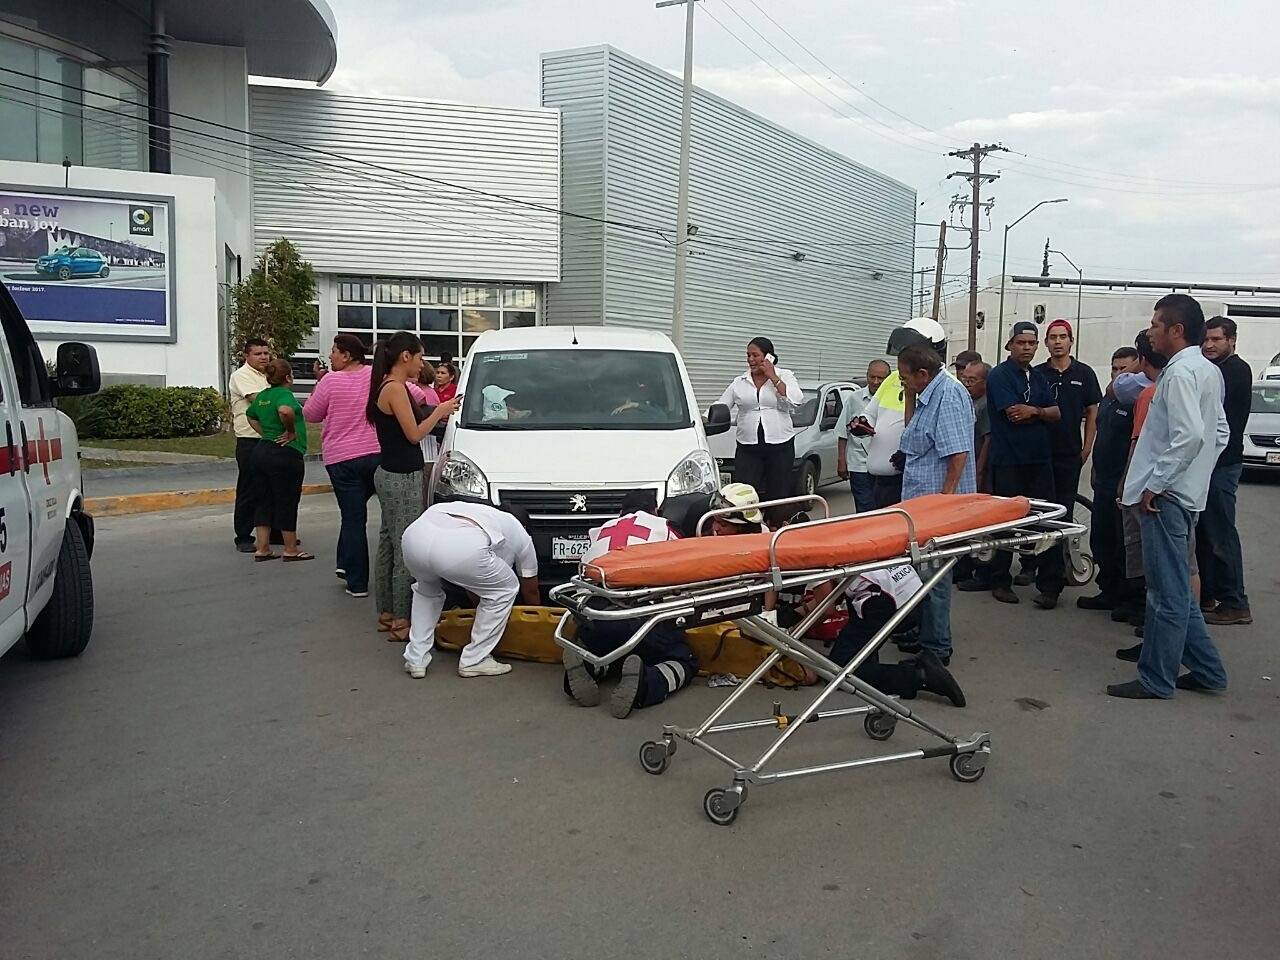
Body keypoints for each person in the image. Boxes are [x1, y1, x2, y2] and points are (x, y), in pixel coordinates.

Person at [1108, 295, 1229, 700]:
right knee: (1176, 589)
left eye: (1156, 324)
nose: (1150, 331)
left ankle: (1156, 679)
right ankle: (1208, 671)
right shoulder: (1207, 370)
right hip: (1181, 493)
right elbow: (1219, 433)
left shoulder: (1179, 374)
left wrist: (1157, 483)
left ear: (1176, 330)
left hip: (1165, 498)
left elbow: (1190, 435)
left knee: (1165, 594)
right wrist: (1195, 474)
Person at [564, 491, 698, 718]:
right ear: (656, 511)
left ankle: (588, 666)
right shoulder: (665, 527)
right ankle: (647, 684)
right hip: (644, 621)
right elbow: (685, 574)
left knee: (605, 650)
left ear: (620, 512)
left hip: (598, 618)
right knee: (684, 660)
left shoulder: (601, 531)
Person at [367, 332, 461, 642]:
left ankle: (386, 613)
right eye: (420, 357)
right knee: (406, 546)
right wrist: (440, 411)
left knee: (388, 543)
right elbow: (414, 434)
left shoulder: (387, 385)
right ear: (405, 356)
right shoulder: (395, 388)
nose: (422, 365)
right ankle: (402, 619)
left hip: (389, 472)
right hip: (401, 476)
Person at [971, 320, 1064, 609]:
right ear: (1009, 345)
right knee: (1006, 523)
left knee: (1047, 521)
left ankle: (1050, 585)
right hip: (1009, 461)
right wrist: (1041, 412)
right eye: (1021, 343)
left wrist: (1035, 410)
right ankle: (1000, 580)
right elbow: (1014, 414)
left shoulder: (1037, 376)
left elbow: (1056, 413)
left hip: (1039, 460)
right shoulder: (999, 376)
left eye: (1031, 343)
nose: (1027, 348)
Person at [400, 501, 540, 679]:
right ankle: (475, 660)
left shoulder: (484, 514)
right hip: (460, 545)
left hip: (416, 536)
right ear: (525, 526)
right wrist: (537, 621)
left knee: (426, 591)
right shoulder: (520, 533)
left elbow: (475, 587)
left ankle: (416, 659)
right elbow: (530, 589)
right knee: (505, 589)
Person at [898, 343, 975, 665]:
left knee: (934, 577)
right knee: (922, 573)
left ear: (923, 373)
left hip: (937, 506)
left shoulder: (949, 395)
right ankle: (925, 633)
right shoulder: (927, 393)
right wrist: (910, 394)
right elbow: (911, 433)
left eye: (904, 378)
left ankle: (937, 649)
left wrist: (944, 502)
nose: (902, 382)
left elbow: (958, 453)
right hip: (920, 501)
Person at [799, 563, 965, 707]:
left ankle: (918, 675)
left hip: (883, 600)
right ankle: (868, 662)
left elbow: (826, 609)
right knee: (855, 638)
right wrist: (799, 612)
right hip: (908, 586)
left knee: (838, 672)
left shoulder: (811, 555)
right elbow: (836, 593)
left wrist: (794, 632)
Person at [1019, 320, 1102, 588]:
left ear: (1071, 341)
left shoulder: (1084, 374)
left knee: (1062, 514)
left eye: (1062, 337)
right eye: (1052, 337)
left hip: (1069, 455)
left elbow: (1093, 411)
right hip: (1039, 455)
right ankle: (1029, 564)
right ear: (1046, 343)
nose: (1057, 342)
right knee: (1036, 512)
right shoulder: (1037, 373)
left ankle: (1056, 573)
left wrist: (1086, 448)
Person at [303, 335, 381, 597]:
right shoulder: (376, 375)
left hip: (342, 459)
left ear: (346, 356)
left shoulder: (330, 381)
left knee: (353, 518)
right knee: (374, 517)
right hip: (376, 454)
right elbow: (415, 394)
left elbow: (311, 414)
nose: (331, 356)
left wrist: (319, 383)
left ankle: (357, 582)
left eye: (334, 351)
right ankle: (346, 564)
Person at [853, 317, 950, 509]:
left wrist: (909, 453)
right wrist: (862, 424)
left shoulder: (942, 387)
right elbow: (870, 413)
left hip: (907, 478)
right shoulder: (893, 378)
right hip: (878, 479)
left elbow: (942, 441)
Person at [1078, 347, 1142, 614]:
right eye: (1114, 368)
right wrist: (1094, 468)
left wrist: (1125, 480)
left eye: (1123, 369)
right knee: (1101, 538)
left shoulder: (1137, 400)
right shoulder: (1109, 399)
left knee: (1123, 543)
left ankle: (1129, 598)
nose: (1117, 374)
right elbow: (1102, 434)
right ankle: (1108, 590)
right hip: (1103, 480)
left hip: (1123, 482)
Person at [1197, 316, 1253, 626]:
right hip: (1210, 464)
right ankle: (1209, 594)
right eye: (1206, 339)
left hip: (1223, 464)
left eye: (1216, 339)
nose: (1209, 345)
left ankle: (1235, 602)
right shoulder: (1216, 368)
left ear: (1232, 340)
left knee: (1220, 533)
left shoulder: (1234, 370)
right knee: (1205, 534)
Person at [716, 337, 804, 522]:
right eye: (748, 355)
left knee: (778, 490)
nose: (750, 359)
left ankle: (776, 525)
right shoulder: (740, 381)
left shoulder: (784, 375)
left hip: (780, 444)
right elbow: (722, 404)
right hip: (748, 445)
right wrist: (704, 419)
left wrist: (773, 377)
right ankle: (749, 525)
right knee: (745, 490)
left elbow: (796, 400)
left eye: (755, 355)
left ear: (768, 357)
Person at [245, 359, 313, 563]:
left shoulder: (263, 395)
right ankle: (290, 549)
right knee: (287, 500)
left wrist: (265, 433)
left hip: (261, 451)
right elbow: (285, 410)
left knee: (263, 500)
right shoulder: (284, 394)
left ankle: (262, 548)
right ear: (288, 377)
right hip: (285, 453)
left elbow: (250, 415)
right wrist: (290, 431)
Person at [229, 339, 271, 553]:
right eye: (258, 354)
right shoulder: (241, 375)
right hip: (249, 439)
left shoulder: (269, 376)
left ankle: (274, 532)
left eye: (265, 353)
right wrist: (279, 401)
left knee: (273, 488)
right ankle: (244, 536)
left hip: (270, 438)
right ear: (247, 356)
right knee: (249, 488)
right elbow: (258, 400)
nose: (263, 357)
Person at [837, 359, 890, 513]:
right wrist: (841, 461)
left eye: (881, 378)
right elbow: (843, 432)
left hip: (885, 466)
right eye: (872, 377)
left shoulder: (896, 400)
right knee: (864, 509)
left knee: (885, 509)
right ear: (867, 375)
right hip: (860, 465)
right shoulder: (854, 398)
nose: (876, 382)